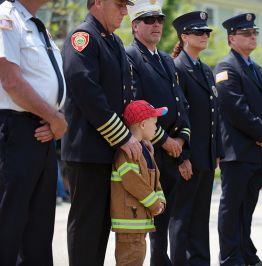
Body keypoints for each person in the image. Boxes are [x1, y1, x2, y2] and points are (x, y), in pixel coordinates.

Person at [61, 0, 141, 265]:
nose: (124, 11)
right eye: (119, 4)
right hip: (87, 151)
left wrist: (138, 135)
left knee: (102, 227)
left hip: (110, 152)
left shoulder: (114, 42)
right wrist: (123, 136)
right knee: (87, 227)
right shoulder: (83, 38)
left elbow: (125, 95)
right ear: (97, 3)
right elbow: (87, 92)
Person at [0, 0, 68, 265]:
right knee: (9, 227)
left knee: (38, 231)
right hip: (16, 130)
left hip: (43, 130)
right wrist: (54, 119)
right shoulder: (7, 17)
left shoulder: (39, 27)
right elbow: (11, 81)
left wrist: (56, 120)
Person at [126, 1, 191, 264]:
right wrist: (164, 141)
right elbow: (136, 106)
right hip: (149, 150)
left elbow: (181, 104)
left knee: (169, 219)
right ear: (134, 26)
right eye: (149, 19)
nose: (156, 25)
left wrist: (181, 142)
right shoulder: (130, 56)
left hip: (173, 152)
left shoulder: (165, 58)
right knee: (149, 221)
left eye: (159, 20)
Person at [215, 13, 262, 266]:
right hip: (238, 151)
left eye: (254, 32)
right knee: (232, 208)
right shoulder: (226, 68)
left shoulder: (257, 69)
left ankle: (245, 252)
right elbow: (235, 109)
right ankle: (230, 256)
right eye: (246, 33)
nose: (253, 36)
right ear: (232, 38)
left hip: (257, 151)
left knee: (247, 208)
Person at [170, 11, 224, 265]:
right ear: (184, 36)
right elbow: (179, 118)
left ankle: (200, 261)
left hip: (206, 155)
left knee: (201, 215)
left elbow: (215, 116)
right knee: (182, 215)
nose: (204, 36)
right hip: (189, 157)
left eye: (206, 32)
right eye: (198, 32)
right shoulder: (177, 68)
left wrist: (217, 152)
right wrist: (183, 157)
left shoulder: (204, 68)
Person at [111, 100, 167, 266]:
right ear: (143, 124)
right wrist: (154, 203)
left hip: (139, 223)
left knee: (137, 258)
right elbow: (134, 182)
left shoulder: (145, 150)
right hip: (130, 224)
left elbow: (155, 178)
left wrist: (160, 200)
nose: (156, 127)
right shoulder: (129, 153)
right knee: (130, 261)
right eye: (154, 123)